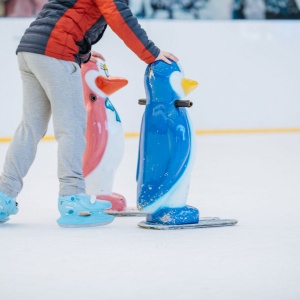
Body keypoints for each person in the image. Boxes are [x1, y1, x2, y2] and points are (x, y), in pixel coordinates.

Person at [0, 0, 178, 227]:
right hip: (55, 52)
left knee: (30, 128)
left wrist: (83, 53)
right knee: (72, 127)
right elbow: (119, 17)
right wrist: (152, 53)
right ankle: (72, 198)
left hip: (31, 49)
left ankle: (4, 196)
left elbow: (65, 15)